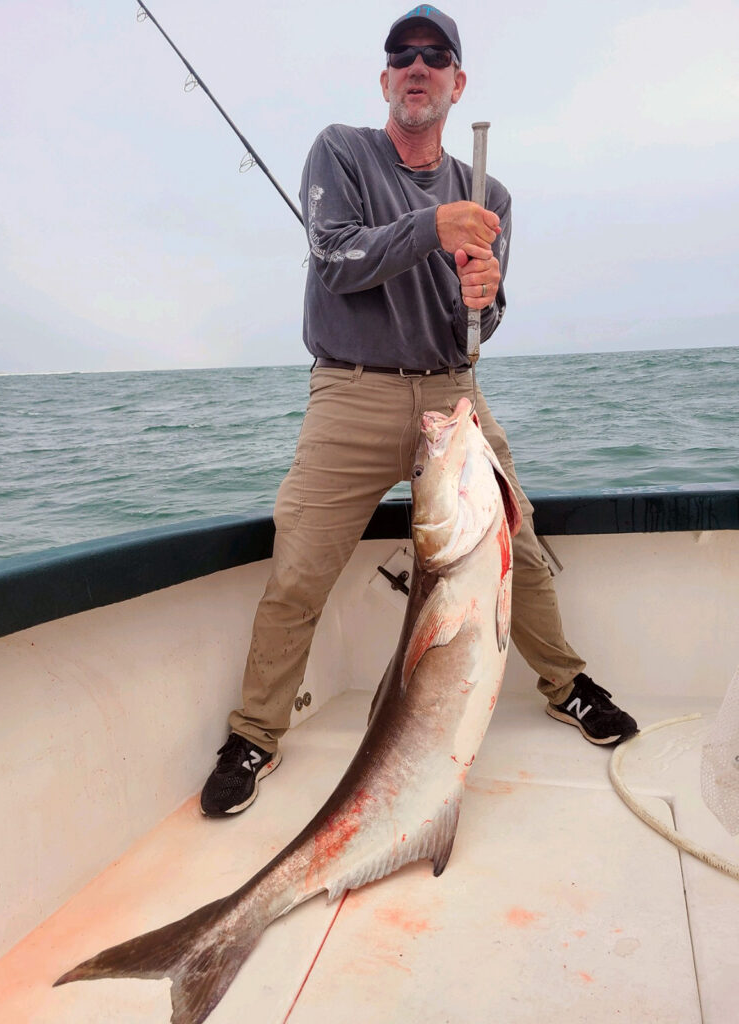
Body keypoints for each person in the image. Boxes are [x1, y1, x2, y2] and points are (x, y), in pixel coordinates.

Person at [200, 7, 638, 818]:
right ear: (385, 78)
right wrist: (432, 225)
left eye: (436, 56)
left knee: (521, 546)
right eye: (403, 54)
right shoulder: (341, 151)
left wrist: (486, 297)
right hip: (350, 391)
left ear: (457, 83)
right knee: (300, 563)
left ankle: (567, 684)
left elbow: (487, 316)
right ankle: (256, 732)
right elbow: (334, 259)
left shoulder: (491, 192)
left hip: (452, 392)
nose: (418, 65)